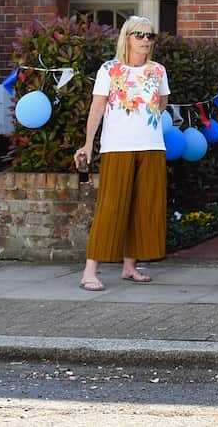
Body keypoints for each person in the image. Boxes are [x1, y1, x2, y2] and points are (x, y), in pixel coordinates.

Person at [76, 16, 169, 292]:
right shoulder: (110, 69)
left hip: (152, 146)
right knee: (111, 207)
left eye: (150, 36)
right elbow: (97, 109)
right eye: (139, 35)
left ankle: (130, 267)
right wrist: (87, 143)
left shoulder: (158, 71)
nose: (145, 40)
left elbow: (162, 104)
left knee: (143, 208)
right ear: (127, 37)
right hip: (117, 146)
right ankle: (89, 271)